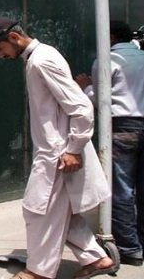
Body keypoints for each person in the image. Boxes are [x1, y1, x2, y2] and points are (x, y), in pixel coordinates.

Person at [0, 17, 115, 279]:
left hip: (58, 153)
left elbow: (82, 107)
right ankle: (97, 259)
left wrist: (73, 149)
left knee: (37, 210)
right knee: (62, 214)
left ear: (14, 38)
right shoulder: (39, 57)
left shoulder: (41, 61)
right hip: (56, 150)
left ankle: (38, 272)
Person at [75, 20, 144, 266]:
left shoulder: (106, 62)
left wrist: (85, 87)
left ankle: (130, 248)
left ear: (112, 37)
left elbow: (100, 100)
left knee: (122, 190)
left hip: (122, 127)